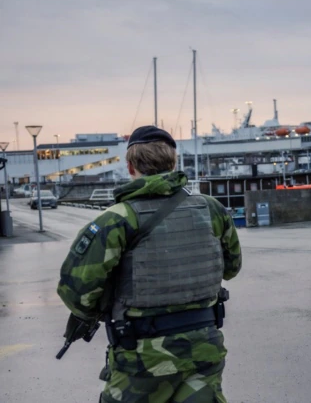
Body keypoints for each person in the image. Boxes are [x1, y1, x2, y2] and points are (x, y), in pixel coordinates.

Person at [57, 125, 242, 402]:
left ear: (130, 167)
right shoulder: (211, 209)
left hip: (142, 360)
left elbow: (76, 292)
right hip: (204, 348)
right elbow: (231, 267)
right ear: (173, 162)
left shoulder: (115, 220)